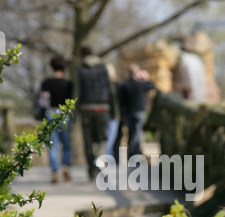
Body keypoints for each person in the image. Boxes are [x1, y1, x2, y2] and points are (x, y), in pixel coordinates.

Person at [77, 46, 116, 180]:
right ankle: (99, 160)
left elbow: (76, 91)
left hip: (86, 109)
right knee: (103, 138)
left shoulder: (80, 70)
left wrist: (75, 111)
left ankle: (91, 168)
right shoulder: (103, 69)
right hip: (103, 108)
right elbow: (111, 91)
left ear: (82, 55)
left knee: (87, 141)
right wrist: (115, 110)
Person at [40, 56, 73, 184]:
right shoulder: (68, 84)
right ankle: (66, 166)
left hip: (50, 113)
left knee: (52, 144)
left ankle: (55, 170)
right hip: (65, 114)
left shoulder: (46, 83)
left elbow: (42, 101)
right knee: (66, 144)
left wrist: (42, 114)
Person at [119, 64, 155, 158]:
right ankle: (134, 154)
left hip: (129, 113)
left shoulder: (125, 85)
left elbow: (121, 101)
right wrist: (145, 78)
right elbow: (152, 85)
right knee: (137, 134)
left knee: (132, 133)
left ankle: (132, 153)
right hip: (139, 112)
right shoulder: (141, 84)